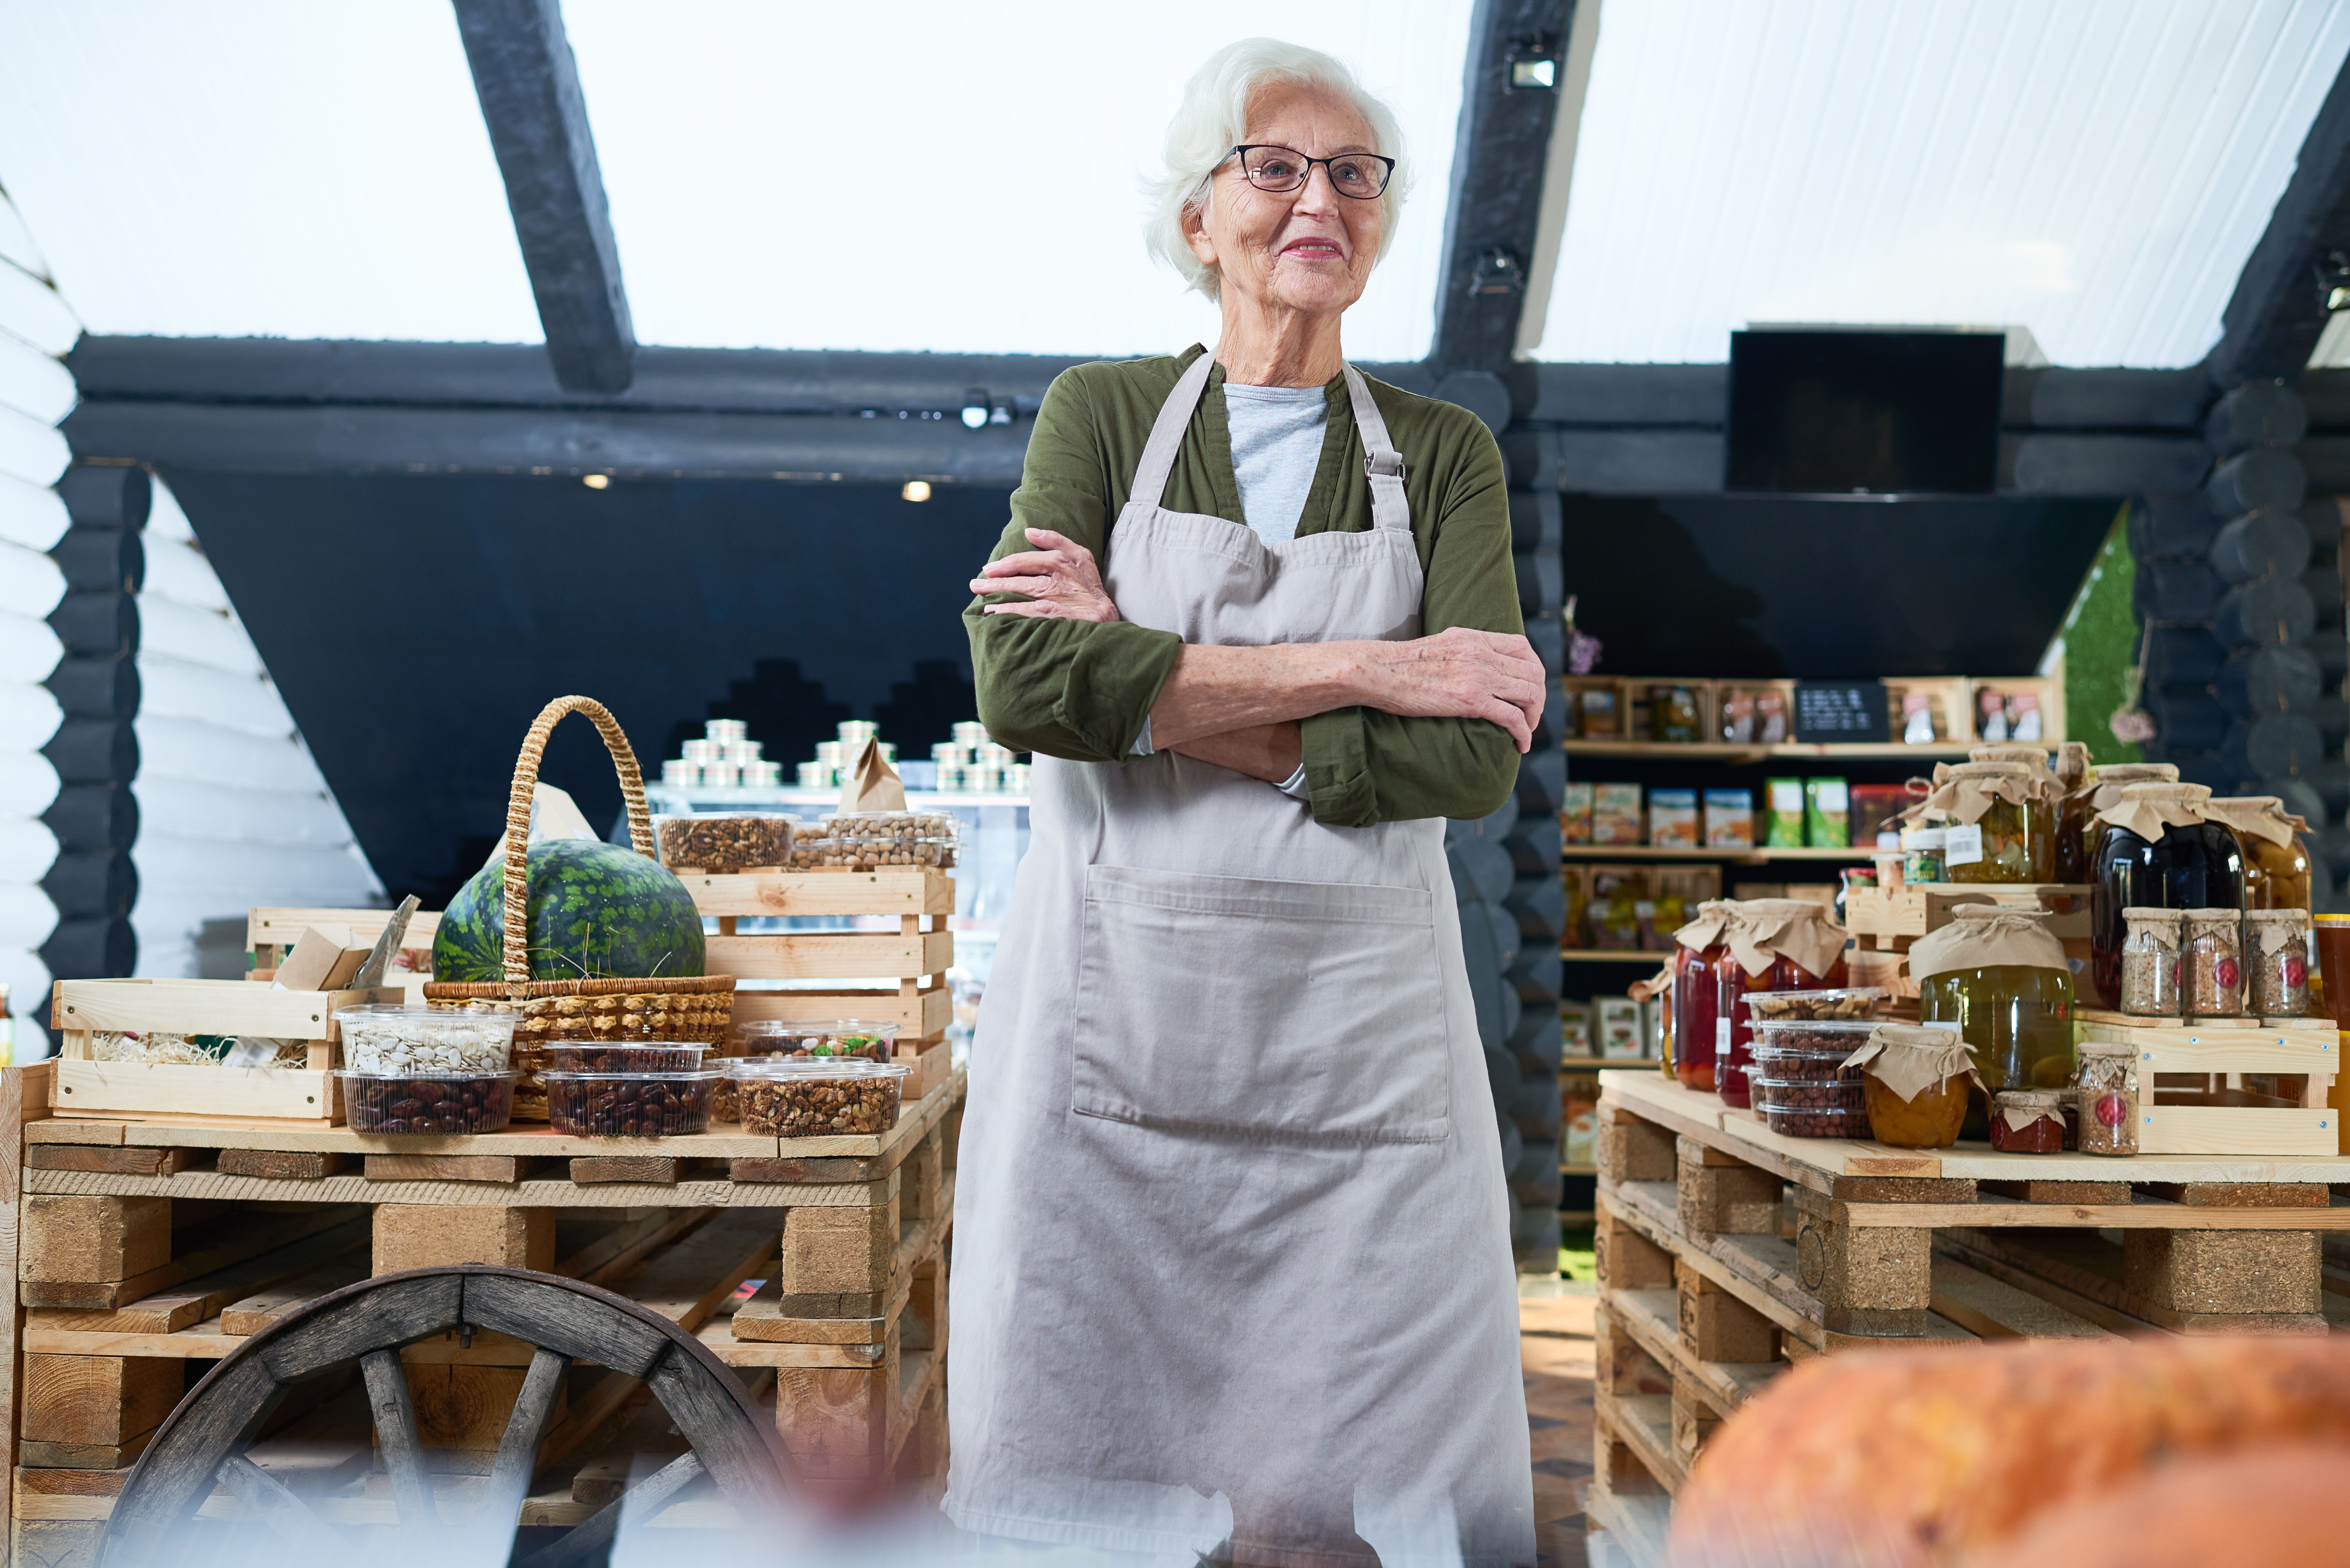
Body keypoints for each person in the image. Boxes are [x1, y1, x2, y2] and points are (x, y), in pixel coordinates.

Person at [948, 36, 1542, 1567]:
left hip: (1358, 1077)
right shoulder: (1100, 413)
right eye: (1271, 167)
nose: (1315, 201)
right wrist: (1368, 670)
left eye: (1351, 173)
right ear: (1199, 216)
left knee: (1331, 1500)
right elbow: (1021, 693)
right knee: (1105, 1451)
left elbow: (1469, 752)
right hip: (1115, 1044)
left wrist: (1144, 692)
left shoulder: (1442, 452)